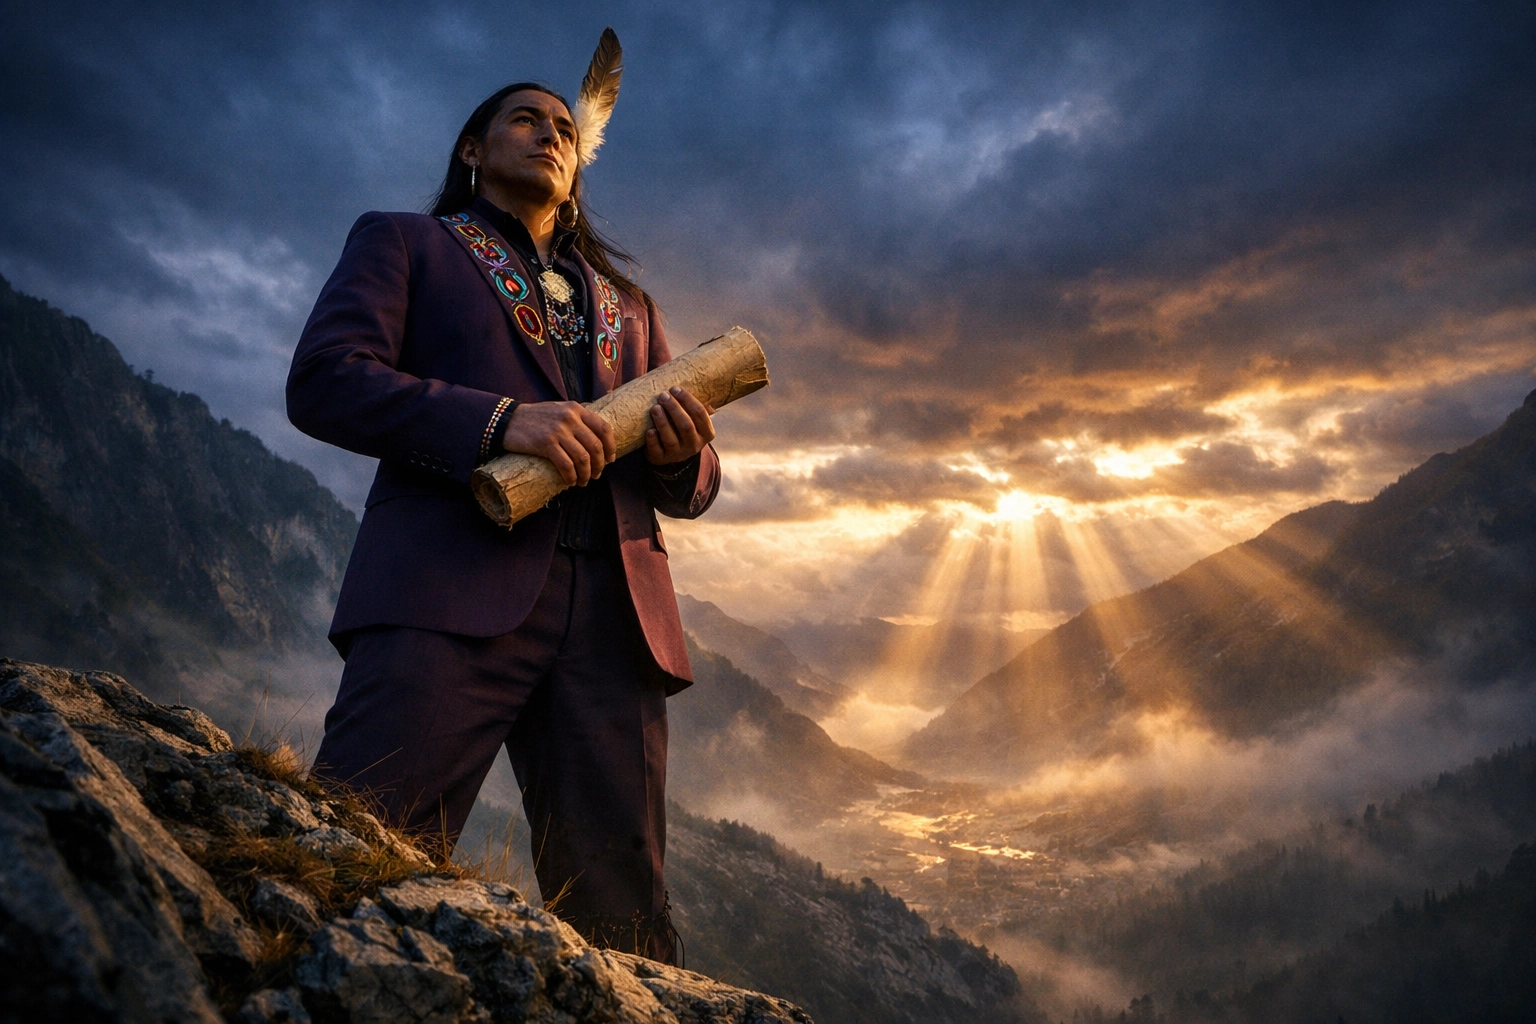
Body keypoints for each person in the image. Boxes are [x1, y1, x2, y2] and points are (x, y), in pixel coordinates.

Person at [285, 32, 716, 963]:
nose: (551, 133)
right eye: (525, 118)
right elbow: (324, 380)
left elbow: (694, 485)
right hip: (443, 593)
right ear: (472, 151)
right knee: (352, 851)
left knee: (626, 916)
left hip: (615, 623)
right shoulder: (407, 244)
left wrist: (683, 458)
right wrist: (496, 423)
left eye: (565, 127)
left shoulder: (628, 307)